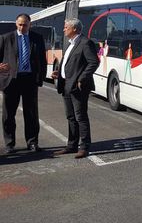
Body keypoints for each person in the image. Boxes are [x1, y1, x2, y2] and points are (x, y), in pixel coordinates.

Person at [52, 19, 99, 159]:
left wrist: (82, 78)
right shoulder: (70, 44)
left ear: (74, 29)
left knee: (81, 117)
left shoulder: (85, 43)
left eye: (66, 27)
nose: (63, 29)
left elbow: (93, 62)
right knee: (71, 117)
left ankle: (84, 147)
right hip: (66, 84)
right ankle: (72, 145)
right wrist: (59, 73)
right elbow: (68, 63)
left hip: (78, 87)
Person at [0, 13, 47, 154]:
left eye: (25, 24)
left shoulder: (37, 38)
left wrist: (40, 78)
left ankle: (32, 142)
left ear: (30, 24)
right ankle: (9, 144)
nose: (22, 27)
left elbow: (42, 60)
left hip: (30, 81)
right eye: (20, 24)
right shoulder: (5, 38)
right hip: (11, 81)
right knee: (8, 115)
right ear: (16, 24)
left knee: (31, 114)